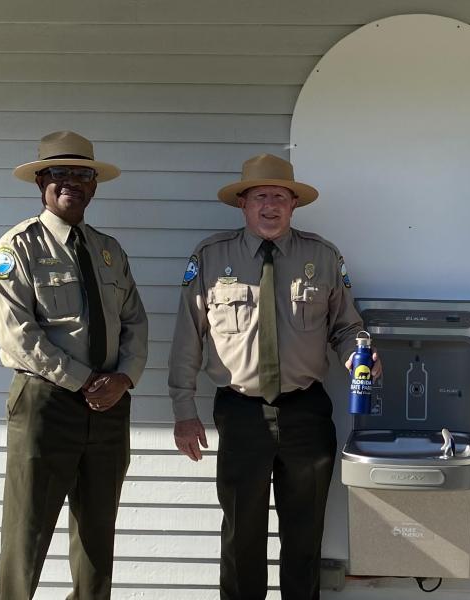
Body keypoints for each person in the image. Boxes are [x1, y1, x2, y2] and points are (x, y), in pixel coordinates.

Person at [168, 153, 372, 600]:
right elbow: (189, 339)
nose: (270, 205)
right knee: (241, 538)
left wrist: (358, 355)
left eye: (280, 196)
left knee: (304, 539)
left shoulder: (321, 255)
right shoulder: (210, 257)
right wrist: (185, 411)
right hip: (241, 414)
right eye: (260, 195)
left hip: (306, 413)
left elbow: (345, 327)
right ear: (243, 203)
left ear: (293, 205)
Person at [0, 130, 149, 599]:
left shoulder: (108, 250)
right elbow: (18, 334)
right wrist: (83, 381)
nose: (72, 183)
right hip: (46, 403)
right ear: (41, 180)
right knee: (26, 536)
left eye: (82, 174)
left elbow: (135, 321)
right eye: (60, 173)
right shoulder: (18, 247)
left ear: (94, 185)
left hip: (108, 408)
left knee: (97, 539)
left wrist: (124, 378)